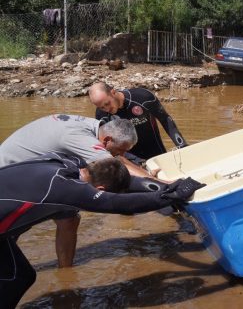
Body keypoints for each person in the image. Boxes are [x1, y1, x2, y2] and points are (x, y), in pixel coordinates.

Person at [0, 152, 204, 308]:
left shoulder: (69, 162)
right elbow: (116, 204)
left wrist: (162, 186)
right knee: (17, 278)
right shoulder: (69, 190)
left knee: (20, 274)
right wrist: (168, 196)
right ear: (101, 190)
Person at [0, 115, 152, 268]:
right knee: (13, 230)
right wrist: (161, 184)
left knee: (69, 220)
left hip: (37, 170)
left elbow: (119, 162)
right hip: (10, 176)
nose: (122, 155)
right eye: (120, 151)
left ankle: (65, 273)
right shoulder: (80, 138)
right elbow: (119, 169)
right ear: (107, 141)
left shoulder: (95, 127)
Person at [88, 82, 188, 163]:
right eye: (101, 107)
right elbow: (105, 143)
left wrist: (182, 146)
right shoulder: (102, 114)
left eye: (107, 103)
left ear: (113, 92)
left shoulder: (142, 97)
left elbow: (165, 120)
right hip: (131, 159)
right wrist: (135, 161)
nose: (106, 109)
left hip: (156, 152)